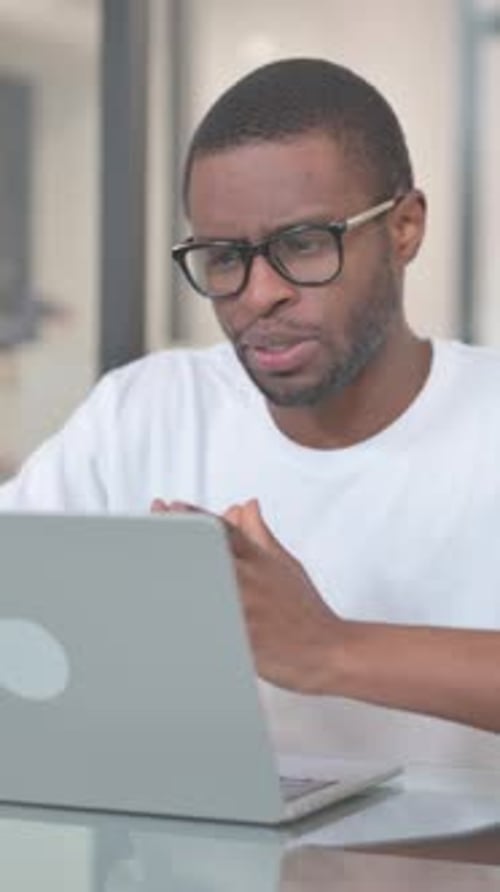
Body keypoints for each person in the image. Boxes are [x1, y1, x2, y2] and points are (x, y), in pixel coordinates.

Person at [1, 57, 500, 768]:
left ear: (404, 229)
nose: (258, 293)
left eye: (301, 245)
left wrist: (326, 648)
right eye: (223, 257)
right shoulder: (147, 410)